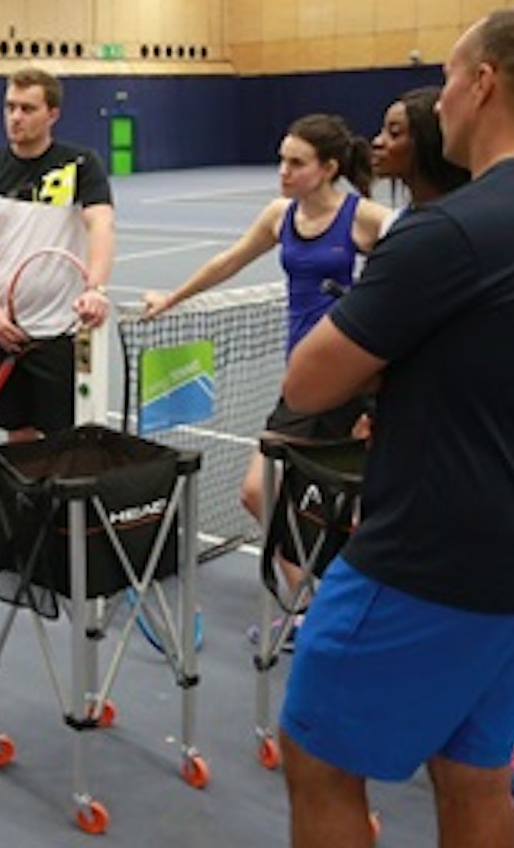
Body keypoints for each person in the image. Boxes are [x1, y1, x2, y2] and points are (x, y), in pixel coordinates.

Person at [278, 7, 514, 848]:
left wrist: (385, 359)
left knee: (316, 759)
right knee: (473, 773)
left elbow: (310, 378)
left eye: (451, 77)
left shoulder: (449, 230)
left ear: (482, 82)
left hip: (429, 557)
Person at [371, 85, 514, 828]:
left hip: (466, 509)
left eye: (394, 129)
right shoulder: (409, 228)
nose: (378, 141)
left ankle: (499, 745)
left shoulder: (452, 233)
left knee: (318, 747)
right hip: (408, 460)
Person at [143, 113, 390, 624]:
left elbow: (416, 272)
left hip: (354, 380)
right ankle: (310, 608)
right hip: (301, 384)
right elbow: (229, 261)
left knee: (357, 508)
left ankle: (339, 608)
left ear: (327, 168)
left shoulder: (366, 218)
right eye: (281, 160)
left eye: (295, 163)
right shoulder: (280, 215)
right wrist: (173, 297)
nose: (283, 171)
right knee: (261, 492)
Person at [0, 67, 115, 442]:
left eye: (27, 108)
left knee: (63, 437)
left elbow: (101, 226)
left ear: (52, 114)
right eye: (10, 107)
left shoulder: (80, 166)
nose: (15, 117)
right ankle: (27, 503)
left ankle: (61, 504)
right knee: (18, 434)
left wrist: (96, 288)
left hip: (59, 333)